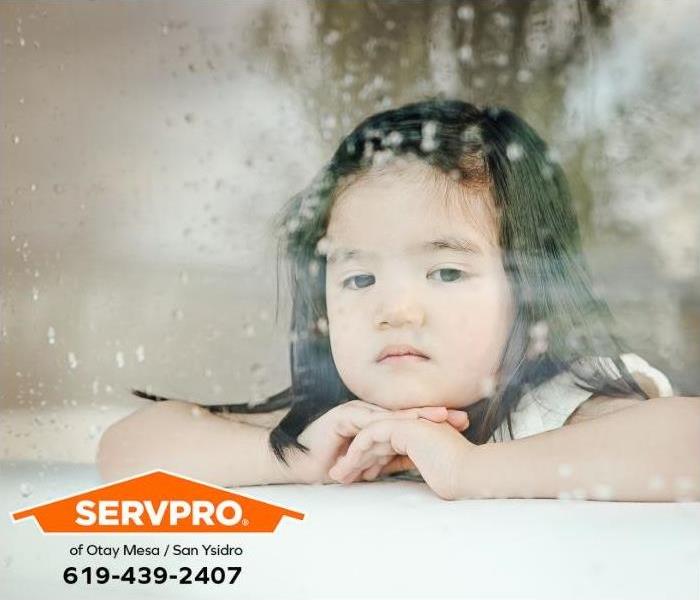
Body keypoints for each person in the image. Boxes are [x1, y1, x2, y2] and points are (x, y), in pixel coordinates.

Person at [97, 98, 699, 501]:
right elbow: (125, 450)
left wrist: (472, 470)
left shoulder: (553, 406)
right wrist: (293, 458)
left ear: (531, 293)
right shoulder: (339, 417)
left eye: (444, 272)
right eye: (359, 281)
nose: (396, 310)